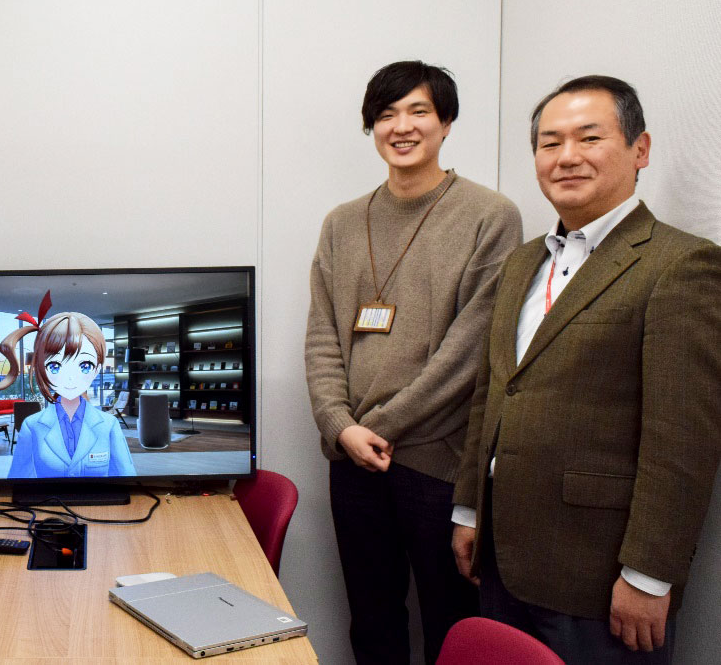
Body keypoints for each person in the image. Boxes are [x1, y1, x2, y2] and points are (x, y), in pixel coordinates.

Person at [451, 75, 721, 662]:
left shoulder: (681, 265)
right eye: (549, 143)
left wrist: (650, 576)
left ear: (639, 149)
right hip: (504, 558)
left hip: (598, 577)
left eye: (589, 138)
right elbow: (493, 394)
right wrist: (470, 509)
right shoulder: (524, 262)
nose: (566, 157)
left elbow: (683, 441)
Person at [304, 61, 521, 663]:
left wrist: (378, 427)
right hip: (353, 460)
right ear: (372, 127)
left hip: (438, 461)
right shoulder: (342, 223)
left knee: (452, 624)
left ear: (446, 122)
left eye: (418, 111)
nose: (401, 127)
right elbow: (322, 335)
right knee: (370, 621)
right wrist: (340, 427)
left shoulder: (489, 215)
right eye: (386, 114)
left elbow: (470, 351)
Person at [0, 293, 136, 478]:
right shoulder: (32, 427)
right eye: (54, 366)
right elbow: (19, 482)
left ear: (97, 369)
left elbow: (127, 480)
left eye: (85, 365)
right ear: (41, 368)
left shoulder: (109, 426)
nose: (70, 378)